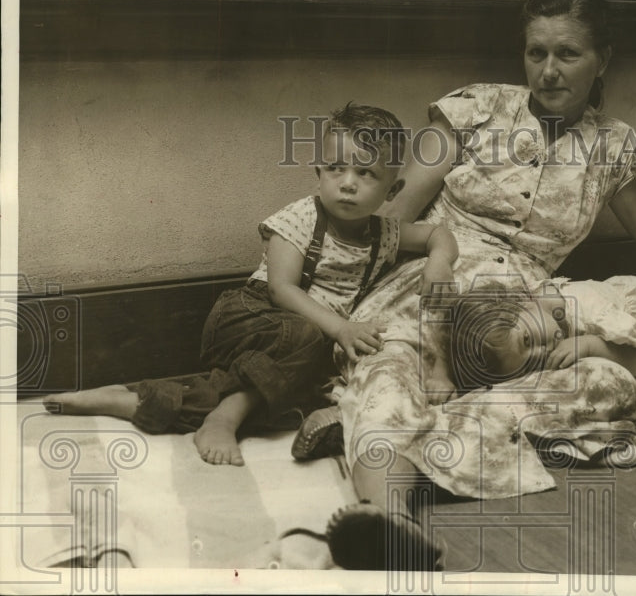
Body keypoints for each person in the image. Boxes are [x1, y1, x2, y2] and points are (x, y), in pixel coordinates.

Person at [306, 0, 636, 571]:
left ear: (603, 59)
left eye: (568, 54)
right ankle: (390, 519)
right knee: (393, 369)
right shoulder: (471, 110)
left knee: (612, 387)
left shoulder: (614, 148)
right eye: (537, 53)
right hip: (433, 283)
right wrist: (336, 313)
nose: (549, 71)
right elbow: (392, 219)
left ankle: (391, 450)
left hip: (523, 314)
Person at [42, 103, 458, 467]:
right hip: (250, 317)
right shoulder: (299, 219)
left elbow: (439, 233)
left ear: (393, 189)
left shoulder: (385, 233)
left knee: (299, 392)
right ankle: (223, 419)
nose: (347, 182)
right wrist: (342, 328)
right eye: (336, 168)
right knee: (308, 342)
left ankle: (134, 401)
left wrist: (439, 261)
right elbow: (281, 289)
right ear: (318, 172)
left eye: (366, 172)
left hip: (296, 347)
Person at [440, 276, 636, 404]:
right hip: (626, 346)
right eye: (532, 364)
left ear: (521, 301)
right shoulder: (536, 315)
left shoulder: (586, 306)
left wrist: (589, 345)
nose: (544, 352)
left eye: (529, 340)